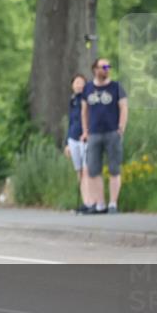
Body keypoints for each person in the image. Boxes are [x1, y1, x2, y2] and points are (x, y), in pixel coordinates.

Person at [81, 58, 128, 214]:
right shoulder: (87, 89)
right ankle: (100, 204)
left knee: (114, 168)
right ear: (95, 69)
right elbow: (84, 111)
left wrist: (121, 128)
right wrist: (85, 131)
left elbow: (124, 108)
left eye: (108, 66)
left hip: (112, 133)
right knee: (94, 170)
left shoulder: (116, 87)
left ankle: (113, 204)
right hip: (94, 134)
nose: (107, 69)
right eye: (103, 66)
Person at [64, 74, 93, 213]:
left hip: (85, 138)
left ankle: (90, 202)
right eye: (76, 83)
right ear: (72, 85)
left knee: (87, 170)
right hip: (73, 138)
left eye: (81, 83)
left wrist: (88, 132)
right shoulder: (72, 100)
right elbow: (70, 122)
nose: (79, 85)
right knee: (79, 172)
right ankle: (84, 202)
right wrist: (67, 143)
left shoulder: (88, 99)